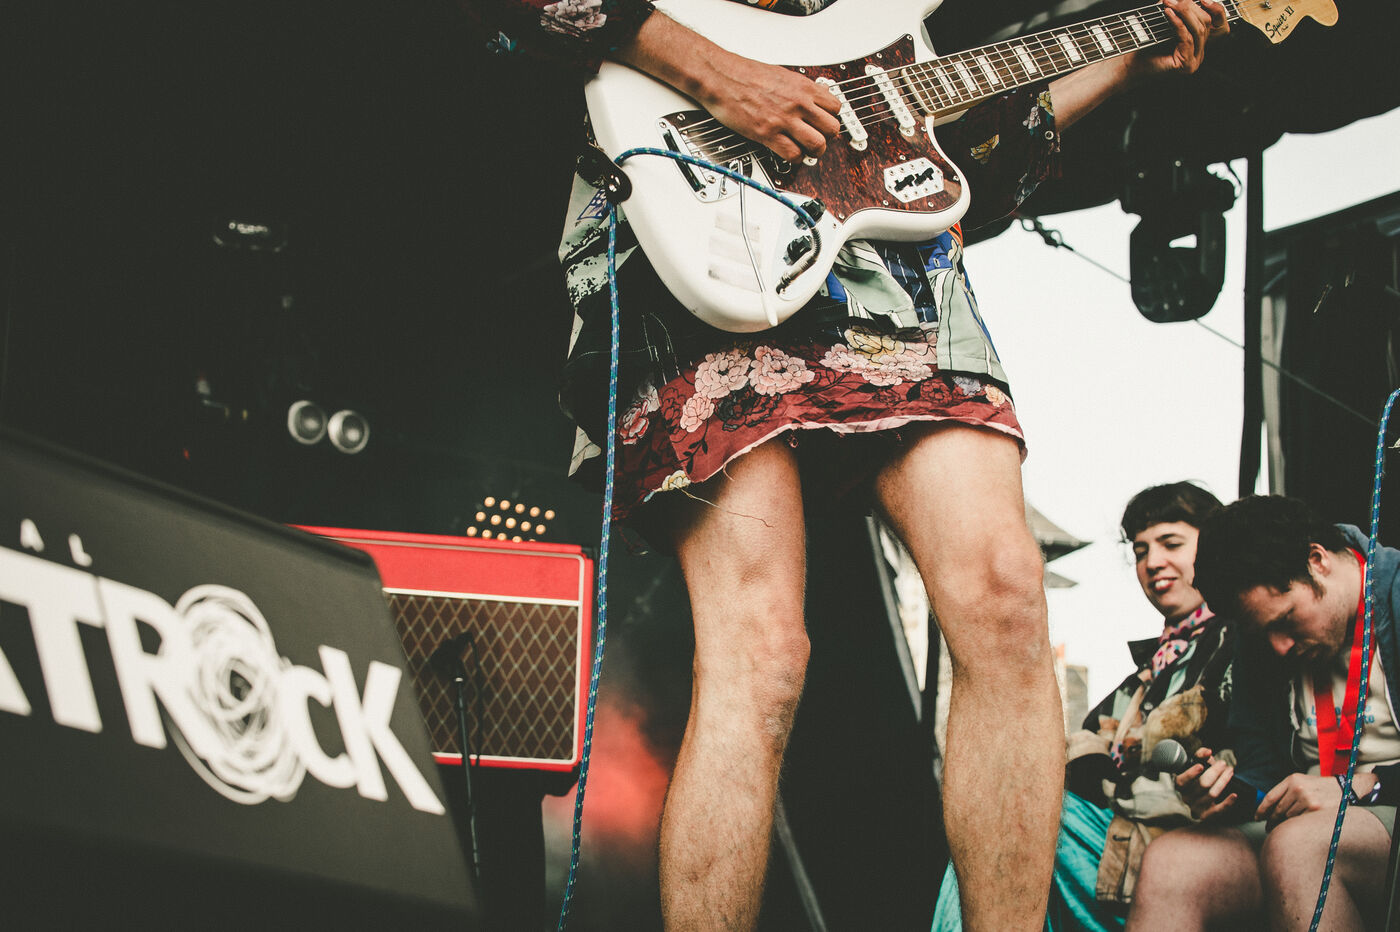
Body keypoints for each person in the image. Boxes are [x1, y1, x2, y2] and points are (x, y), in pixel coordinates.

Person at [468, 1, 1228, 928]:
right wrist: (720, 79)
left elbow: (950, 155)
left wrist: (1121, 62)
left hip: (890, 262)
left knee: (1004, 598)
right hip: (697, 220)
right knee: (760, 654)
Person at [931, 481, 1236, 930]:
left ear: (1215, 548)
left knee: (1009, 817)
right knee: (1003, 822)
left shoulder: (1241, 644)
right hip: (1121, 841)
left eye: (1171, 544)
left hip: (1182, 849)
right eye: (1140, 551)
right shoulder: (1153, 668)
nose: (1153, 562)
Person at [1127, 495, 1400, 931]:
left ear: (1317, 560)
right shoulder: (1260, 641)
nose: (1280, 646)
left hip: (1376, 813)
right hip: (1305, 829)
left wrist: (1368, 785)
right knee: (1172, 861)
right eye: (1263, 631)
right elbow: (1264, 769)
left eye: (1287, 620)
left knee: (1301, 847)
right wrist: (1228, 795)